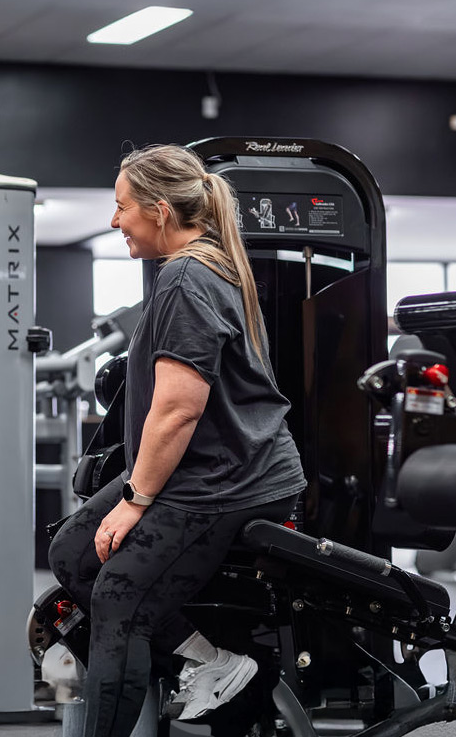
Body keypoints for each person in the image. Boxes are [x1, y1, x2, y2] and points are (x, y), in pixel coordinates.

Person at [48, 144, 306, 736]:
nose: (115, 221)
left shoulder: (189, 275)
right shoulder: (193, 269)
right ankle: (213, 662)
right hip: (196, 466)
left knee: (118, 597)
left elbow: (178, 410)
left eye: (122, 208)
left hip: (227, 477)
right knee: (71, 555)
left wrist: (135, 500)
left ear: (160, 210)